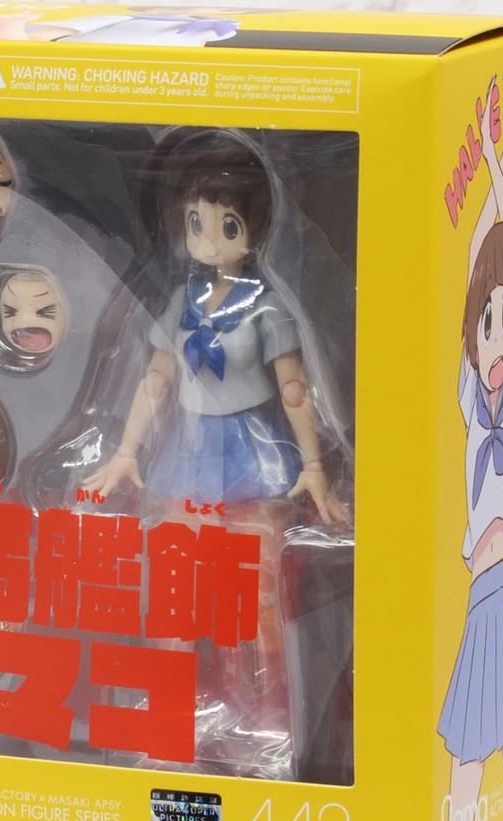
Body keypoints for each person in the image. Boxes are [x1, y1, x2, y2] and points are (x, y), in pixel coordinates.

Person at [85, 134, 346, 779]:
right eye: (195, 224)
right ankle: (168, 721)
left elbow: (294, 390)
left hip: (254, 458)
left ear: (253, 231)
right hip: (187, 455)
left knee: (259, 600)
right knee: (175, 594)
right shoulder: (181, 303)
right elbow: (156, 380)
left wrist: (315, 468)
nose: (206, 239)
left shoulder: (268, 308)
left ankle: (266, 726)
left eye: (225, 225)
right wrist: (125, 451)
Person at [437, 76, 503, 821]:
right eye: (486, 322)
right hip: (482, 598)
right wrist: (494, 168)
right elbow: (482, 258)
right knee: (478, 751)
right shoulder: (474, 407)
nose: (497, 336)